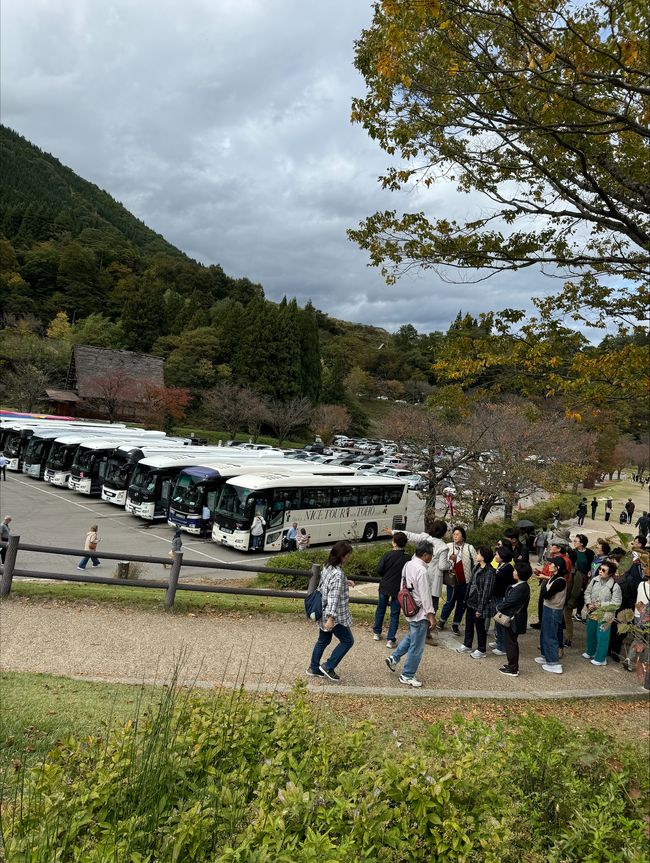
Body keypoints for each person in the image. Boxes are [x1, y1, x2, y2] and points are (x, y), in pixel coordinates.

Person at [387, 520, 451, 641]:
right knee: (432, 605)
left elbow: (410, 535)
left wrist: (393, 531)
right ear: (443, 532)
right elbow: (443, 566)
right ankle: (425, 633)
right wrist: (451, 562)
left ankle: (416, 630)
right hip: (433, 581)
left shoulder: (425, 537)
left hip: (416, 577)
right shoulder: (443, 547)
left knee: (416, 603)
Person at [385, 540, 435, 687]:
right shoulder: (422, 571)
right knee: (417, 646)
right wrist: (431, 615)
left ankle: (394, 658)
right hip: (420, 611)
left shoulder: (408, 564)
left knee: (412, 636)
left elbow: (403, 585)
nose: (431, 558)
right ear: (425, 555)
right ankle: (407, 674)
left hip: (408, 607)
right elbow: (426, 596)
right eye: (431, 555)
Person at [307, 540, 354, 682]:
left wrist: (346, 581)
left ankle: (313, 667)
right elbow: (334, 597)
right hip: (335, 615)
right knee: (347, 641)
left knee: (323, 640)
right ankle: (328, 666)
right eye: (347, 555)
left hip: (323, 609)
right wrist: (331, 618)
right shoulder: (338, 574)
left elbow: (328, 584)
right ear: (342, 556)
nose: (348, 558)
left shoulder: (327, 566)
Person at [456, 546, 496, 659]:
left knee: (480, 627)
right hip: (471, 600)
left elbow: (487, 592)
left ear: (483, 556)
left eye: (478, 553)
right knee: (469, 624)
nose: (476, 555)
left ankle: (481, 649)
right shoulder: (477, 567)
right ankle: (467, 644)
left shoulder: (490, 572)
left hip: (479, 602)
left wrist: (480, 608)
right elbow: (471, 584)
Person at [373, 531, 410, 648]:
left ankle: (377, 632)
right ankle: (390, 639)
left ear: (394, 543)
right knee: (395, 614)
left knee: (381, 609)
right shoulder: (408, 558)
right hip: (398, 589)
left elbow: (379, 569)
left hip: (385, 586)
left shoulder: (387, 555)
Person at [582, 560, 622, 667]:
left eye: (603, 570)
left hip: (606, 615)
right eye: (600, 569)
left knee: (602, 636)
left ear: (610, 573)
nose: (600, 571)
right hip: (592, 612)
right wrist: (588, 603)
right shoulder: (594, 580)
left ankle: (600, 658)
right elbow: (587, 593)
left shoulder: (615, 586)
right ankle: (590, 651)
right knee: (591, 632)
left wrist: (600, 605)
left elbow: (616, 604)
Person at [438, 526, 476, 635]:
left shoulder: (469, 547)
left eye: (457, 534)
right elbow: (442, 561)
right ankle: (442, 621)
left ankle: (456, 624)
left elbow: (477, 563)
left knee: (461, 603)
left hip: (465, 581)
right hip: (452, 580)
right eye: (454, 534)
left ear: (463, 536)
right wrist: (450, 559)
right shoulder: (448, 546)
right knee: (450, 602)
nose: (455, 536)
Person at [495, 561, 531, 677]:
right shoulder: (520, 586)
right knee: (510, 642)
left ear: (520, 573)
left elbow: (510, 602)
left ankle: (513, 668)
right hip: (514, 618)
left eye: (516, 571)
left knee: (511, 643)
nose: (514, 572)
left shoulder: (521, 588)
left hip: (514, 620)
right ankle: (511, 665)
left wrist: (499, 606)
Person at [609, 550, 644, 662]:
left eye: (614, 561)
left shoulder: (629, 579)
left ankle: (615, 651)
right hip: (612, 606)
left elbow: (632, 595)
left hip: (624, 608)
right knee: (611, 628)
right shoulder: (611, 575)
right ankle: (608, 648)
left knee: (620, 632)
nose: (611, 563)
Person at [536, 556, 568, 674]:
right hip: (548, 608)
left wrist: (544, 588)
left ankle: (553, 662)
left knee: (551, 635)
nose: (549, 566)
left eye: (552, 564)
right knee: (545, 632)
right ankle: (545, 655)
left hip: (554, 610)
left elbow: (547, 594)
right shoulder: (553, 577)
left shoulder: (560, 580)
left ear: (557, 567)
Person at [489, 544, 516, 656]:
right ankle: (498, 641)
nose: (495, 556)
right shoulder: (501, 566)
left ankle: (503, 646)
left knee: (501, 621)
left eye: (497, 554)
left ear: (502, 556)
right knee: (497, 621)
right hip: (497, 596)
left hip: (502, 596)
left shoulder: (507, 568)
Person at [567, 534, 594, 626]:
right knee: (573, 592)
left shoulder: (590, 553)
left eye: (576, 541)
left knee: (582, 594)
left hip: (585, 577)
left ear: (582, 543)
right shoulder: (573, 552)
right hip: (574, 576)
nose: (573, 543)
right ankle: (570, 611)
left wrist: (590, 570)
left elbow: (592, 564)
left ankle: (578, 612)